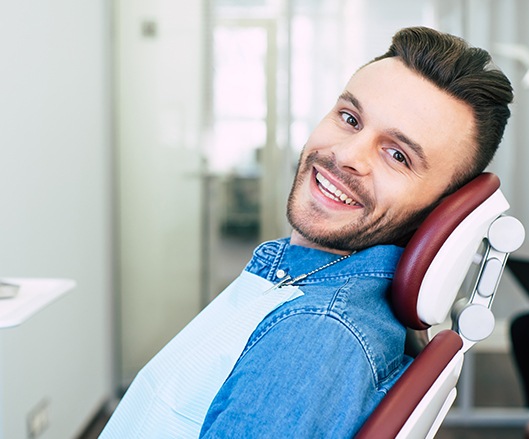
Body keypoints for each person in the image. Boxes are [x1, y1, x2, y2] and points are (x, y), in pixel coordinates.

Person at [100, 26, 513, 438]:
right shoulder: (301, 282)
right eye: (350, 118)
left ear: (439, 210)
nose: (346, 155)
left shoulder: (316, 331)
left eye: (397, 155)